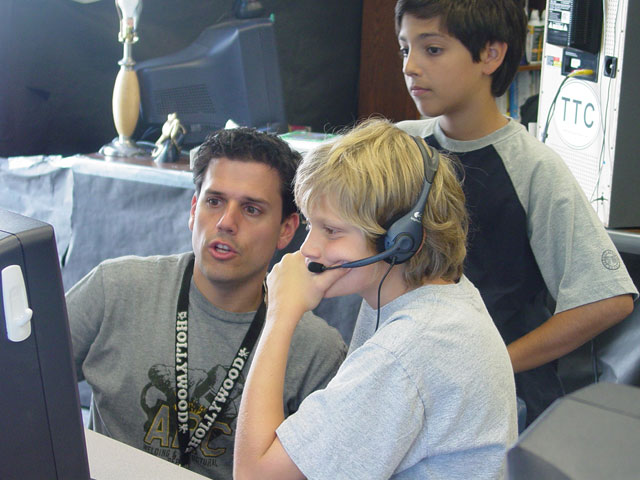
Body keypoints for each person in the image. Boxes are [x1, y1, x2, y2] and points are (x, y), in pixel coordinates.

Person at [393, 0, 637, 424]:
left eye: (432, 49)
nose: (410, 66)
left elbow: (607, 301)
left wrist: (495, 363)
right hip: (413, 385)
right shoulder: (400, 147)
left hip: (501, 402)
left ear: (491, 54)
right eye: (404, 49)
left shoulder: (533, 169)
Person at [234, 119, 517, 480]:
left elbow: (254, 475)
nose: (309, 249)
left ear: (401, 240)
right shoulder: (432, 297)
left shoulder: (410, 349)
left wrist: (280, 315)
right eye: (310, 225)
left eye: (331, 231)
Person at [66, 127, 347, 479]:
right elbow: (21, 382)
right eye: (214, 202)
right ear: (193, 209)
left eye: (251, 209)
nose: (226, 223)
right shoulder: (115, 289)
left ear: (286, 230)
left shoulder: (317, 351)